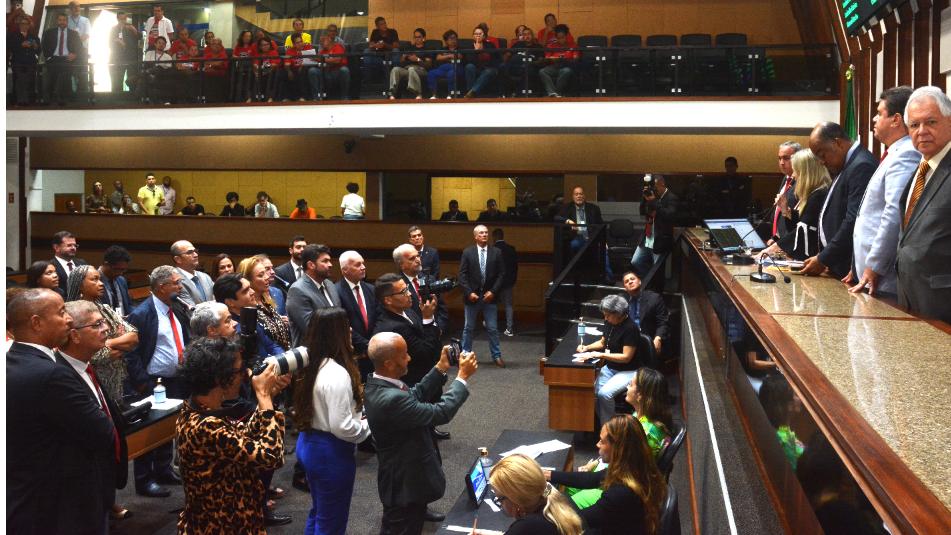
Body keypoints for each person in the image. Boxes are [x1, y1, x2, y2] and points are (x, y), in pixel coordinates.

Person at [7, 290, 118, 535]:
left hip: (24, 494)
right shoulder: (53, 374)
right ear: (36, 323)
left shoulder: (12, 361)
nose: (68, 319)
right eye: (61, 313)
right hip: (61, 503)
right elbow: (102, 431)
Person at [364, 331, 478, 535]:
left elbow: (414, 395)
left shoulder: (378, 383)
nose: (409, 358)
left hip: (407, 476)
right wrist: (462, 378)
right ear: (389, 363)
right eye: (404, 355)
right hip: (404, 484)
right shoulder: (391, 398)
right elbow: (441, 412)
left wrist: (441, 367)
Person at [176, 337, 290, 534]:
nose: (246, 375)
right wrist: (263, 396)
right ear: (220, 378)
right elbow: (270, 457)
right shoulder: (205, 426)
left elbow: (242, 441)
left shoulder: (196, 410)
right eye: (240, 371)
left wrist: (268, 397)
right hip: (224, 525)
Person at [294, 308, 371, 535]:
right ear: (336, 333)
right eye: (346, 326)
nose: (350, 331)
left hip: (309, 443)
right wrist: (367, 426)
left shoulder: (312, 363)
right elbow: (342, 427)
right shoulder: (337, 374)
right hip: (330, 453)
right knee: (332, 522)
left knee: (320, 511)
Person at [845, 87, 920, 298]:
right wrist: (858, 264)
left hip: (882, 275)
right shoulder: (893, 152)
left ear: (896, 119)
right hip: (869, 270)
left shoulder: (906, 154)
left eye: (879, 113)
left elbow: (893, 212)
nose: (874, 118)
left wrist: (874, 265)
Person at [124, 265, 191, 498]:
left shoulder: (176, 308)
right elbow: (131, 353)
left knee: (169, 427)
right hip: (153, 381)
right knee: (149, 431)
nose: (180, 286)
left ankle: (163, 470)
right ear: (162, 287)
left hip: (176, 378)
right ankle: (144, 480)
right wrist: (143, 383)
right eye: (176, 283)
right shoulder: (142, 313)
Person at [546, 415, 667, 535]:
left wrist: (550, 499)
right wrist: (549, 474)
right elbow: (590, 479)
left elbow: (579, 521)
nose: (597, 444)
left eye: (602, 441)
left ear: (618, 449)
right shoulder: (633, 466)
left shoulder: (621, 493)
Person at [897, 86, 951, 324]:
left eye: (931, 122)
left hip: (943, 302)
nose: (922, 131)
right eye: (914, 125)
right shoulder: (920, 169)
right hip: (909, 296)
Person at [801, 122, 876, 278]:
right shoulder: (846, 164)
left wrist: (824, 259)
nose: (821, 162)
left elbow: (853, 220)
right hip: (836, 263)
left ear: (838, 143)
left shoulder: (861, 165)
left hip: (848, 266)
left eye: (822, 155)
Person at [577, 294, 642, 426]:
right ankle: (605, 423)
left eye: (608, 315)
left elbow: (626, 357)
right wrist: (587, 347)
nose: (605, 318)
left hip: (629, 370)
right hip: (611, 367)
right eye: (604, 315)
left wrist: (601, 355)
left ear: (619, 314)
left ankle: (609, 429)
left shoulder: (631, 328)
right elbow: (603, 342)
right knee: (593, 392)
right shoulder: (609, 322)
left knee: (605, 394)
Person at [483, 454, 584, 535]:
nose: (500, 503)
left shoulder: (526, 527)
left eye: (500, 499)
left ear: (515, 500)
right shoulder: (555, 498)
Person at [372, 272, 443, 386]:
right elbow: (424, 355)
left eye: (407, 288)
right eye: (403, 292)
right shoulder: (392, 328)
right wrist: (428, 318)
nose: (409, 293)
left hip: (430, 376)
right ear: (388, 300)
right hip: (415, 384)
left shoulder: (408, 311)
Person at [760, 149, 831, 260]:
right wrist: (785, 211)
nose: (793, 175)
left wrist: (772, 249)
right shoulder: (814, 193)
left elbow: (803, 232)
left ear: (807, 172)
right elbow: (799, 226)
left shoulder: (819, 195)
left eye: (796, 170)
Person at [458, 225, 506, 367]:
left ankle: (496, 355)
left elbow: (502, 274)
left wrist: (493, 291)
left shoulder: (496, 252)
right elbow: (462, 275)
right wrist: (469, 292)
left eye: (486, 233)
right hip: (472, 296)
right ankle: (465, 355)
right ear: (475, 236)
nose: (484, 235)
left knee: (492, 328)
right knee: (468, 328)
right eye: (481, 233)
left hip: (489, 296)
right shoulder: (468, 252)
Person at [287, 244, 341, 346]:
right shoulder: (297, 290)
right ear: (311, 265)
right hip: (312, 352)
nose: (330, 264)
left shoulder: (330, 284)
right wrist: (341, 332)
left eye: (329, 261)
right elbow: (310, 329)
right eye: (325, 261)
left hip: (336, 349)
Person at [336, 250, 378, 380]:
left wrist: (374, 342)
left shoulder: (371, 289)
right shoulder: (336, 291)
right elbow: (343, 324)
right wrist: (367, 345)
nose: (363, 267)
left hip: (375, 352)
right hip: (353, 354)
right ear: (345, 270)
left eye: (363, 263)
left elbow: (379, 317)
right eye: (358, 265)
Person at [237, 256, 291, 350]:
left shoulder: (267, 299)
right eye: (261, 275)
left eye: (265, 273)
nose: (267, 277)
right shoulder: (248, 309)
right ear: (248, 280)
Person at [394, 243, 449, 330]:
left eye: (418, 256)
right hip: (413, 332)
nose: (418, 260)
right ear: (401, 265)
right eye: (412, 258)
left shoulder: (430, 279)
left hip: (434, 330)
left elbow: (441, 307)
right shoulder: (397, 286)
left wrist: (439, 328)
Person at [631, 175, 678, 277]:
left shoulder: (671, 198)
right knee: (635, 261)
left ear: (662, 184)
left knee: (657, 269)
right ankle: (649, 279)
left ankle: (653, 282)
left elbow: (669, 215)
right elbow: (642, 212)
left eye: (655, 187)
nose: (654, 190)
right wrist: (645, 199)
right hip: (647, 238)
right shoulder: (653, 195)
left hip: (660, 240)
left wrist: (653, 201)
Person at [621, 271, 669, 355]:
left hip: (646, 340)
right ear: (625, 287)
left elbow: (663, 322)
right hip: (627, 340)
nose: (630, 282)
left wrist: (658, 338)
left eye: (632, 279)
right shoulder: (622, 300)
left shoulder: (654, 298)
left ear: (639, 281)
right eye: (626, 281)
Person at [42, 12, 82, 106]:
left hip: (67, 59)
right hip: (53, 59)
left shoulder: (74, 33)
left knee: (65, 80)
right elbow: (44, 45)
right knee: (50, 80)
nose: (62, 22)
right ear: (57, 21)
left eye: (64, 20)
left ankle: (63, 100)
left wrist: (75, 55)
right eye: (60, 20)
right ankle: (48, 100)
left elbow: (79, 47)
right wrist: (48, 57)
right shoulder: (49, 32)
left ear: (67, 22)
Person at [769, 142, 802, 243]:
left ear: (798, 159)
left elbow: (800, 218)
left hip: (792, 242)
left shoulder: (803, 183)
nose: (782, 162)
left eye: (786, 158)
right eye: (779, 158)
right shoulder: (786, 179)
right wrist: (775, 237)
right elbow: (779, 213)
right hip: (779, 240)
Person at [555, 185, 604, 253]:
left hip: (590, 238)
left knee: (603, 250)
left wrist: (604, 242)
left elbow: (601, 225)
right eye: (576, 194)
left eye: (581, 194)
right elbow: (557, 218)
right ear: (573, 197)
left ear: (584, 196)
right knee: (575, 244)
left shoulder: (594, 208)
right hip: (575, 237)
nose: (579, 196)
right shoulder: (567, 207)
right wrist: (568, 221)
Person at [8, 15, 41, 106]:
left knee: (30, 81)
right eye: (22, 24)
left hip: (30, 62)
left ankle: (29, 101)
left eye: (26, 24)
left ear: (29, 25)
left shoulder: (33, 36)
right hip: (18, 62)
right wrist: (21, 45)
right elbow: (10, 47)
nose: (24, 26)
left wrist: (36, 46)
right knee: (19, 81)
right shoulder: (13, 35)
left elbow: (39, 51)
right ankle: (20, 101)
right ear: (19, 25)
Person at [389, 28, 431, 99]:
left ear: (424, 38)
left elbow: (428, 65)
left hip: (421, 69)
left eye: (419, 37)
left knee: (411, 69)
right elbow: (401, 62)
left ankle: (418, 94)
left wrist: (417, 59)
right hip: (407, 69)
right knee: (395, 69)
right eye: (415, 37)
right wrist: (404, 57)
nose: (417, 39)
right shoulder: (409, 48)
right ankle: (392, 93)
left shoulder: (427, 49)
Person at [539, 24, 578, 98]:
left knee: (567, 71)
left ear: (566, 36)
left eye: (562, 37)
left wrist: (565, 59)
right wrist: (552, 59)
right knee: (542, 71)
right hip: (554, 66)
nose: (561, 40)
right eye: (558, 38)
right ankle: (552, 92)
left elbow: (575, 59)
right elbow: (547, 58)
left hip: (566, 67)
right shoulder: (551, 46)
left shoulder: (573, 45)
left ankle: (556, 93)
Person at [171, 239, 214, 306]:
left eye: (195, 251)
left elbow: (217, 300)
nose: (196, 255)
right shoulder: (174, 280)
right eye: (190, 252)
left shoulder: (205, 277)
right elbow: (189, 308)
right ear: (178, 259)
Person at [492, 228, 519, 336]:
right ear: (503, 236)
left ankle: (491, 325)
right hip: (508, 281)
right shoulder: (511, 249)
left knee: (493, 304)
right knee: (508, 305)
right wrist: (513, 279)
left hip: (495, 282)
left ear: (494, 237)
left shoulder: (492, 250)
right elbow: (515, 267)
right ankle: (509, 328)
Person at [311, 32, 350, 101]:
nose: (321, 43)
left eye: (323, 41)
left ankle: (344, 97)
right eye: (320, 42)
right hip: (325, 72)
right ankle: (317, 97)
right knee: (312, 70)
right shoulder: (322, 52)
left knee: (344, 70)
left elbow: (337, 60)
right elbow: (319, 62)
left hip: (337, 72)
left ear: (329, 39)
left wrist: (323, 60)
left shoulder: (338, 47)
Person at [464, 25, 499, 98]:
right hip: (477, 69)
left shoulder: (490, 45)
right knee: (469, 66)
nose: (478, 35)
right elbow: (470, 61)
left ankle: (472, 92)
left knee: (488, 71)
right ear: (473, 36)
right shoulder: (470, 47)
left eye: (480, 34)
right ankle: (471, 92)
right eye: (476, 34)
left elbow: (495, 59)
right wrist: (476, 52)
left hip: (490, 69)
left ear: (484, 36)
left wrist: (481, 51)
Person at [97, 245, 133, 315]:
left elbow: (128, 305)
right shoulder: (94, 282)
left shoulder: (122, 280)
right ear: (106, 264)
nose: (120, 273)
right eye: (117, 269)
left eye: (123, 270)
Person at [428, 30, 463, 99]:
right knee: (431, 73)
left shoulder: (460, 48)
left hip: (456, 68)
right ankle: (434, 95)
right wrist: (450, 56)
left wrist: (445, 56)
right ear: (446, 41)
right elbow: (438, 58)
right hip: (443, 69)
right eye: (451, 38)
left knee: (451, 73)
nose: (453, 40)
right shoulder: (443, 49)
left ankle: (450, 95)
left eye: (455, 38)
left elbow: (459, 56)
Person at [51, 230, 86, 294]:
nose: (73, 248)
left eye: (75, 245)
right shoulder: (50, 266)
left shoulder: (82, 263)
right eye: (69, 245)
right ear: (56, 247)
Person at [141, 36, 174, 103]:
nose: (161, 45)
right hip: (148, 73)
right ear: (155, 44)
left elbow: (168, 69)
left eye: (163, 43)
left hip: (161, 76)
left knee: (158, 68)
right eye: (159, 43)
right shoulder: (149, 53)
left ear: (165, 46)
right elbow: (146, 65)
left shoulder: (168, 57)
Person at [282, 33, 314, 102]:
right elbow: (287, 63)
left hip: (306, 67)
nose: (300, 44)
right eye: (297, 43)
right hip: (294, 68)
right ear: (294, 44)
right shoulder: (290, 50)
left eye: (301, 41)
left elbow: (311, 60)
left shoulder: (308, 47)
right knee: (284, 73)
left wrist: (302, 65)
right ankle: (288, 97)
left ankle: (304, 96)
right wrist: (289, 71)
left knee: (303, 71)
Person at [254, 37, 282, 102]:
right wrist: (256, 72)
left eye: (267, 44)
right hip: (261, 72)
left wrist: (264, 69)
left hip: (271, 72)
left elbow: (274, 64)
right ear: (260, 46)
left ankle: (271, 97)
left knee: (272, 75)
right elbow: (255, 64)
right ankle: (258, 98)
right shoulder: (258, 54)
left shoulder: (273, 52)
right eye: (263, 45)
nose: (266, 46)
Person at [202, 38, 230, 102]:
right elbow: (204, 65)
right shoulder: (207, 55)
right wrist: (213, 65)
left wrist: (210, 65)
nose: (216, 46)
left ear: (221, 46)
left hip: (220, 79)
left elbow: (219, 64)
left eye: (218, 44)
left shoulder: (223, 54)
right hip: (208, 78)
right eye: (214, 44)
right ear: (211, 46)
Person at [233, 30, 256, 102]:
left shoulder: (253, 46)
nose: (248, 38)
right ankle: (238, 98)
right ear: (242, 37)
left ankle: (248, 97)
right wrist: (239, 58)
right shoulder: (238, 46)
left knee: (248, 78)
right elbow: (234, 55)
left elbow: (255, 57)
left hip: (250, 68)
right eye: (246, 36)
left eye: (249, 36)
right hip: (240, 67)